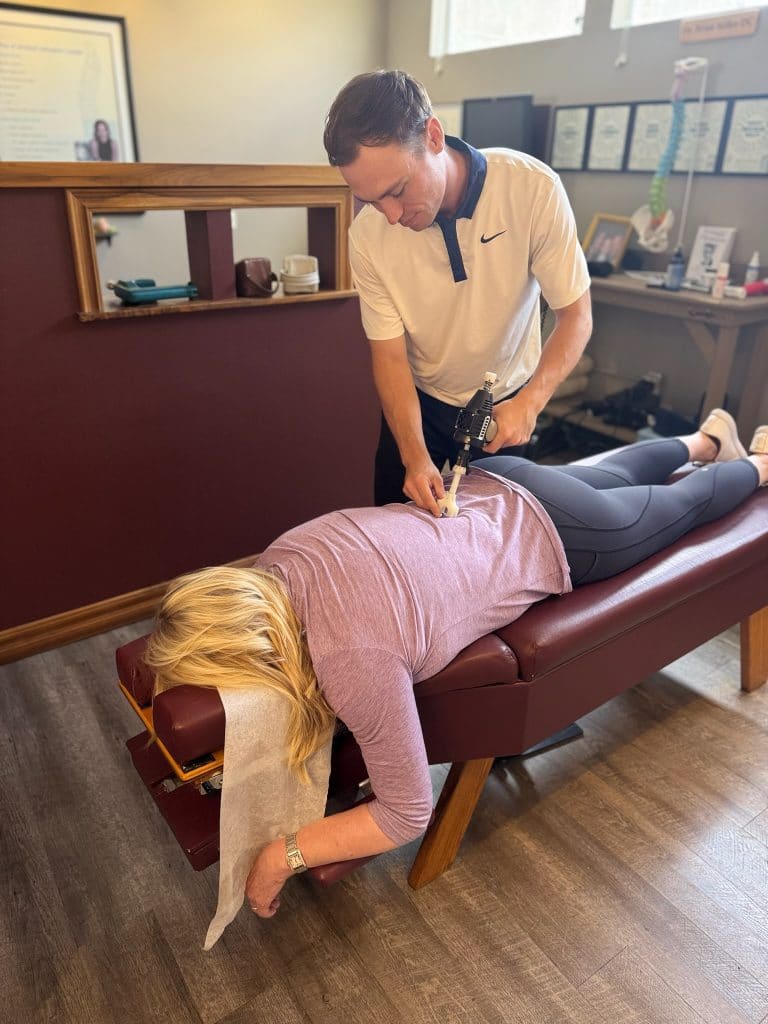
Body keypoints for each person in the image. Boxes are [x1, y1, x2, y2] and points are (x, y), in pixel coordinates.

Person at [144, 409, 767, 918]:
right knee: (621, 472)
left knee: (683, 507)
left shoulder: (353, 666)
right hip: (502, 480)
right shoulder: (287, 549)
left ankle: (756, 463)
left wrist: (283, 855)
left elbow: (406, 813)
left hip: (568, 537)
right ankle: (706, 437)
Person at [323, 70, 593, 513]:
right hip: (419, 401)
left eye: (396, 191)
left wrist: (531, 402)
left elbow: (576, 315)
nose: (389, 216)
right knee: (394, 527)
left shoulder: (532, 189)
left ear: (432, 136)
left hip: (504, 400)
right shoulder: (367, 236)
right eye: (371, 201)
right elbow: (389, 356)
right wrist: (414, 458)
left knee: (496, 541)